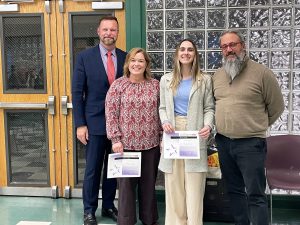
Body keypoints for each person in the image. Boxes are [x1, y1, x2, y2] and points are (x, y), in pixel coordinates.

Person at [213, 29, 284, 225]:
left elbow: (277, 107)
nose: (229, 50)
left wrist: (256, 126)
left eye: (233, 44)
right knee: (234, 191)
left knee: (255, 194)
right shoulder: (217, 76)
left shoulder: (262, 73)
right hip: (224, 142)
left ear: (242, 46)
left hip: (251, 144)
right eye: (224, 46)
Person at [72, 16, 127, 225]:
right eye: (105, 29)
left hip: (119, 125)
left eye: (113, 30)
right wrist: (80, 124)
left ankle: (108, 206)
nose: (109, 33)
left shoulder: (125, 57)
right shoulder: (85, 57)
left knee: (114, 167)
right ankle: (89, 210)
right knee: (93, 169)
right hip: (93, 123)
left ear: (117, 33)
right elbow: (77, 93)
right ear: (98, 31)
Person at [159, 39, 215, 225]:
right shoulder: (166, 80)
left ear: (195, 54)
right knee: (174, 185)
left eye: (190, 50)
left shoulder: (205, 80)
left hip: (195, 132)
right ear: (177, 54)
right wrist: (165, 121)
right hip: (173, 132)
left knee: (194, 185)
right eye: (182, 49)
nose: (186, 53)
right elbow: (162, 107)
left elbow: (209, 108)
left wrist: (208, 125)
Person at [105, 48, 161, 225]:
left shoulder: (155, 85)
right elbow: (111, 113)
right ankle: (126, 221)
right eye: (133, 60)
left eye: (141, 61)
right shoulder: (118, 85)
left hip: (150, 145)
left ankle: (149, 219)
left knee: (148, 186)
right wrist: (115, 139)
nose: (137, 64)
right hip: (126, 146)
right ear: (127, 64)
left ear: (146, 65)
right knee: (127, 190)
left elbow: (161, 112)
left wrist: (161, 138)